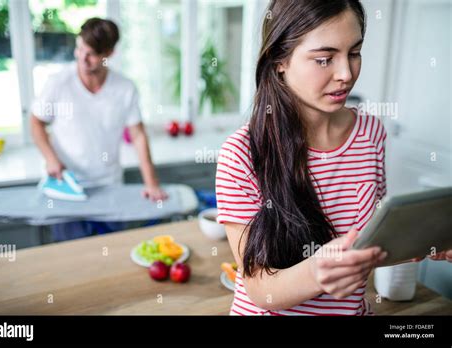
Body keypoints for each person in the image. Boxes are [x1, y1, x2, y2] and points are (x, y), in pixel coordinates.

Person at [215, 0, 452, 316]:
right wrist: (316, 272)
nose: (346, 74)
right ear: (279, 60)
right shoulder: (243, 153)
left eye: (354, 53)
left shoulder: (370, 134)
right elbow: (261, 289)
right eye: (325, 59)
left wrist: (424, 239)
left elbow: (365, 244)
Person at [31, 18, 167, 241]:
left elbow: (138, 135)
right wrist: (50, 158)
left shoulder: (125, 89)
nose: (82, 58)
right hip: (67, 190)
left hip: (109, 187)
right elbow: (36, 122)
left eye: (91, 53)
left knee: (110, 258)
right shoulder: (58, 83)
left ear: (109, 53)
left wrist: (151, 182)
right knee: (72, 262)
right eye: (79, 49)